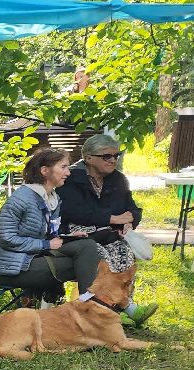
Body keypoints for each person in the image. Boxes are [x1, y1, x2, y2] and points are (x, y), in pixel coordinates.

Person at [56, 134, 159, 326]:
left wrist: (131, 220)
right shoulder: (70, 178)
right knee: (102, 257)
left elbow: (132, 208)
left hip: (108, 234)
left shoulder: (118, 179)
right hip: (76, 235)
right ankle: (104, 310)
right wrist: (111, 218)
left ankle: (122, 307)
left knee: (124, 251)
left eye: (116, 155)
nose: (112, 160)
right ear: (88, 158)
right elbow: (71, 211)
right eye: (106, 156)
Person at [0, 148, 107, 305]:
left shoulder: (52, 198)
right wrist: (46, 244)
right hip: (9, 267)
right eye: (63, 167)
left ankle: (86, 303)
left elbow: (47, 231)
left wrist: (67, 237)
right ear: (45, 171)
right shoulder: (20, 200)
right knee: (84, 265)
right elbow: (6, 238)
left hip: (34, 256)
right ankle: (88, 306)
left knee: (87, 247)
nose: (68, 173)